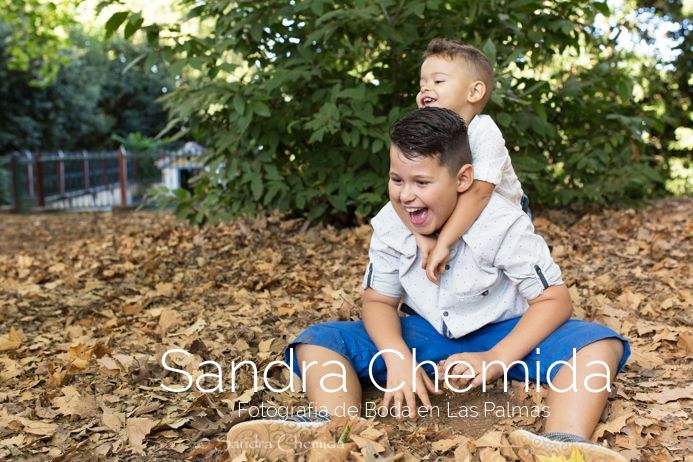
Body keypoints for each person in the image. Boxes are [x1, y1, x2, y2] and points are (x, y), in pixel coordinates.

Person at [227, 107, 630, 461]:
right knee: (318, 340)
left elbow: (555, 301)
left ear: (462, 179)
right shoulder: (389, 224)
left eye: (421, 183)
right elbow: (379, 301)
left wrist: (496, 359)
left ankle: (564, 443)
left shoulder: (501, 222)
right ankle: (330, 426)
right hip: (423, 336)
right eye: (396, 179)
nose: (405, 196)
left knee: (600, 343)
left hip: (507, 338)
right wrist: (398, 357)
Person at [409, 38, 527, 285]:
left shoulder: (483, 131)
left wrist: (443, 242)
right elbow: (403, 185)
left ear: (474, 92)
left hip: (499, 216)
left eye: (438, 81)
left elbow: (479, 195)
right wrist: (420, 235)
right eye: (422, 84)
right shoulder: (427, 134)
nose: (426, 89)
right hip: (455, 208)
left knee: (499, 264)